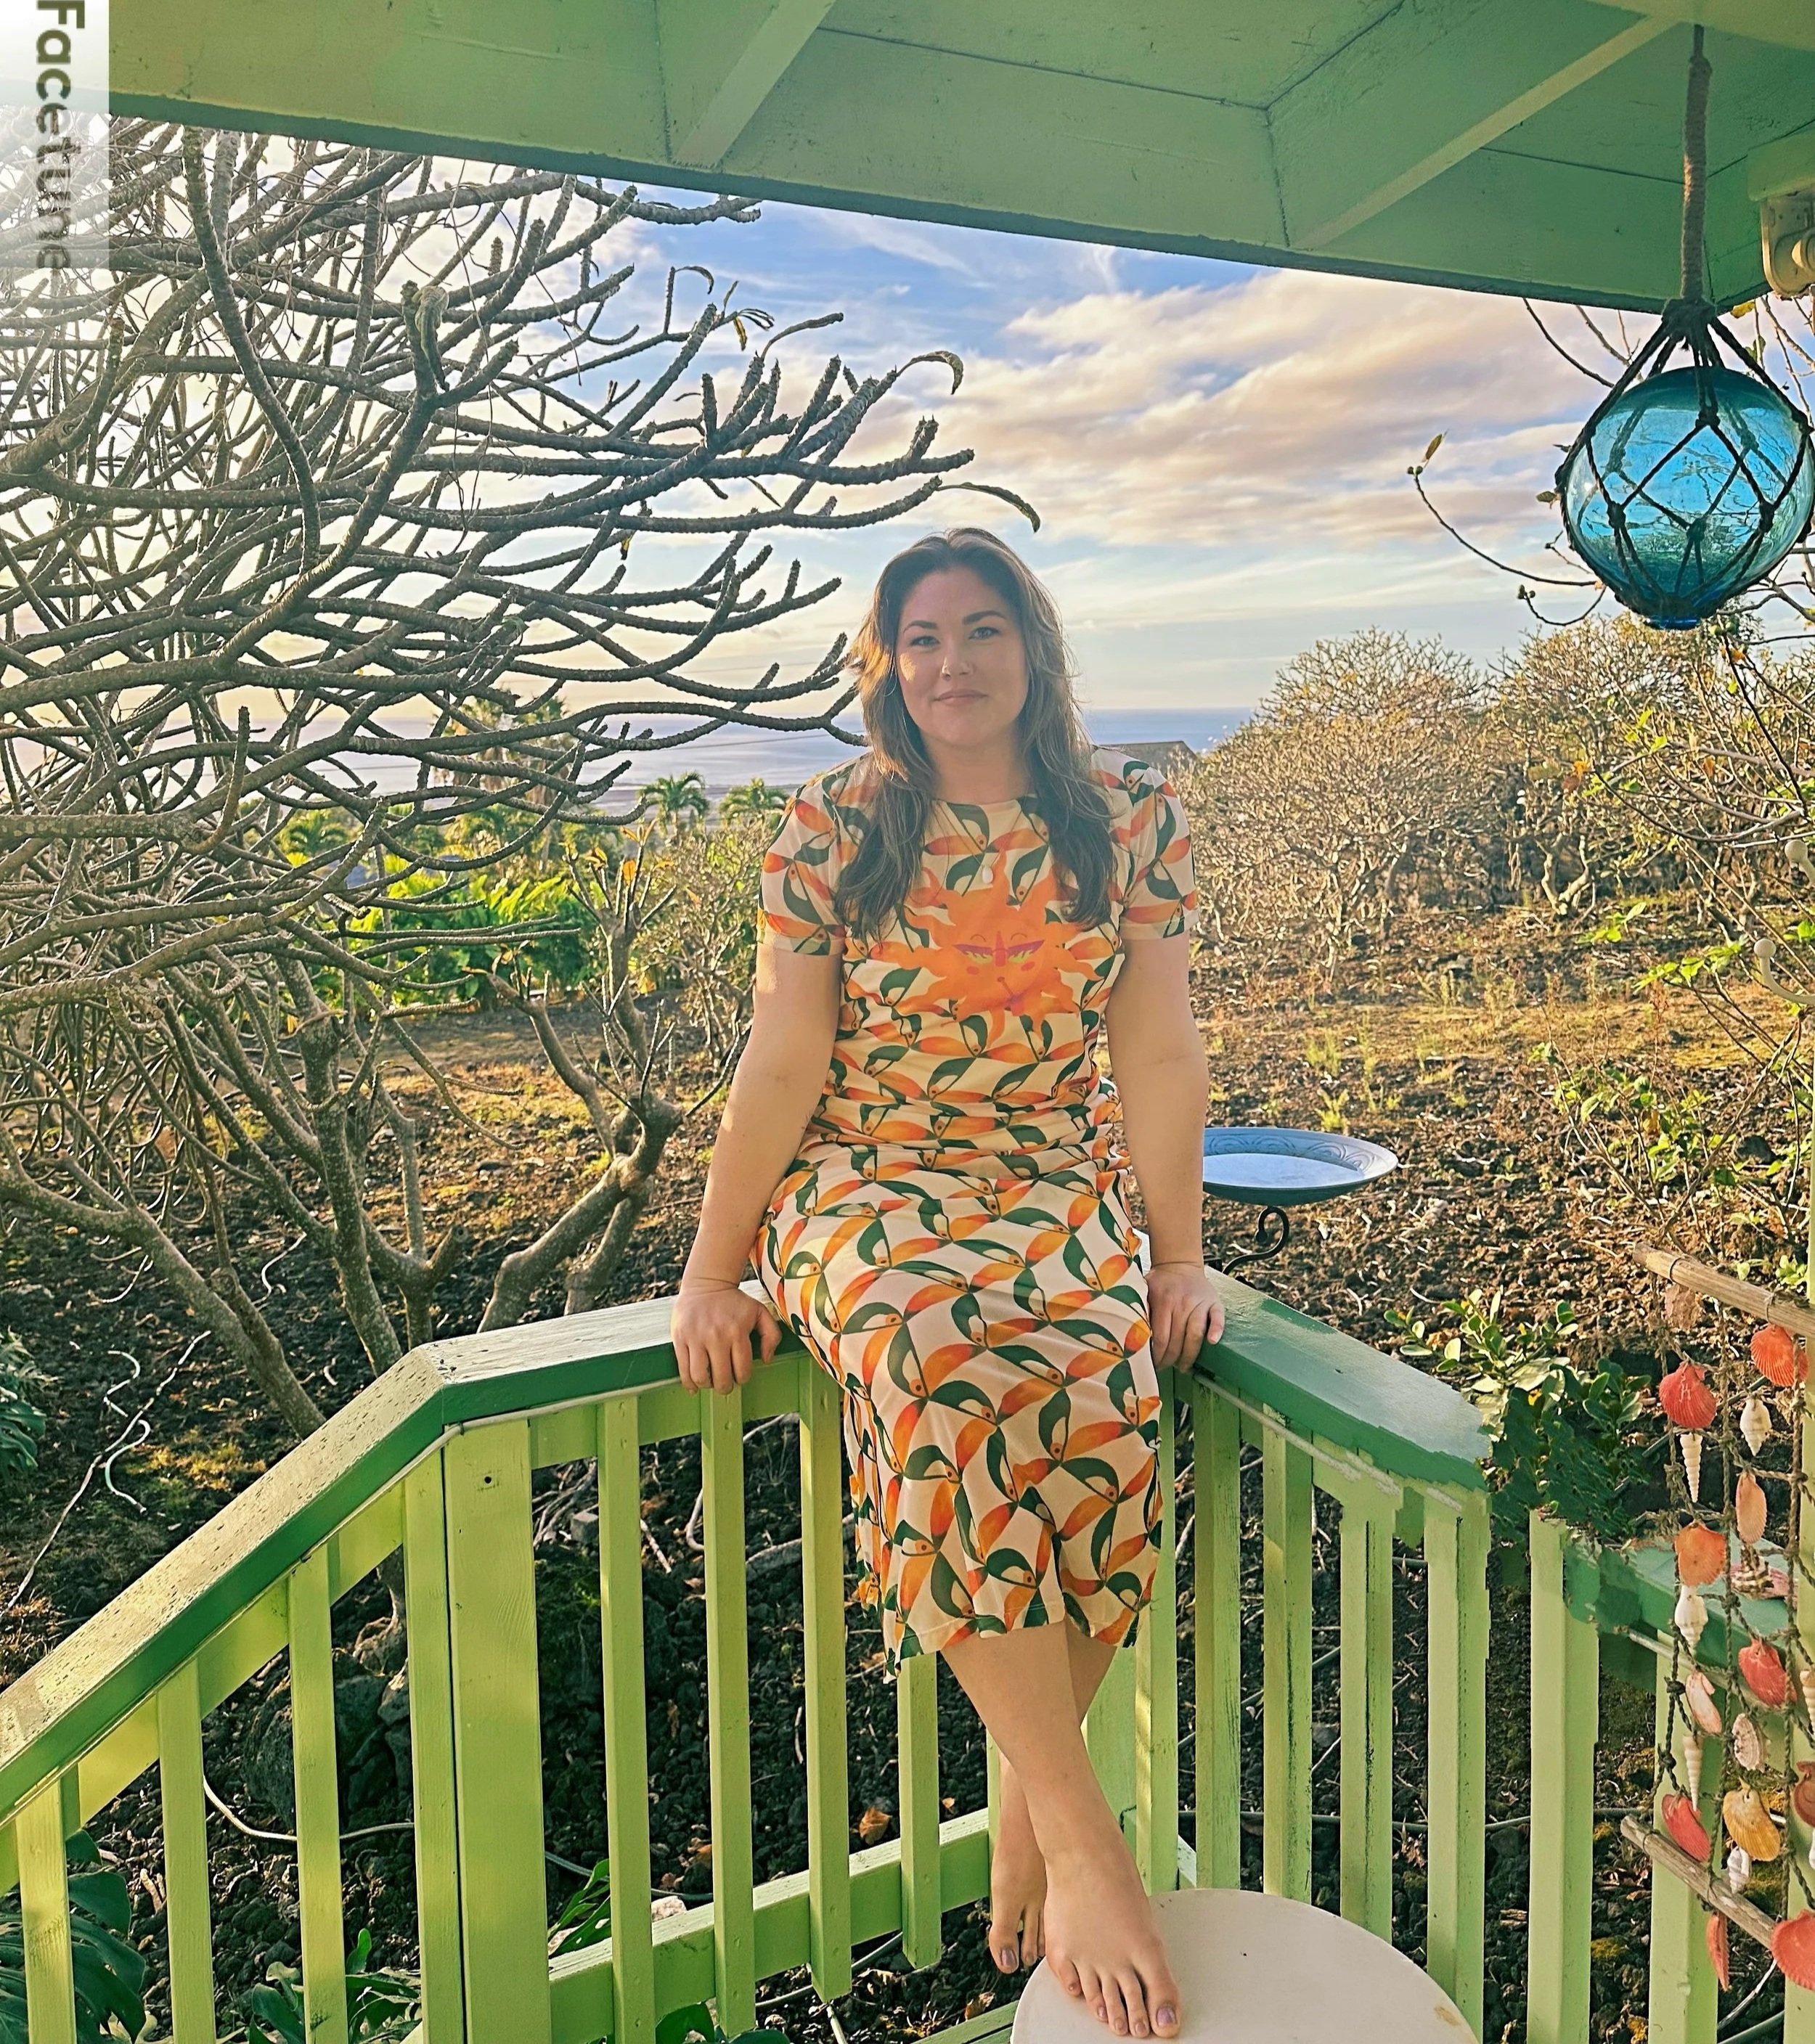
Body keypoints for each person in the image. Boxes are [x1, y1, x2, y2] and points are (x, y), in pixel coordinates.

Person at [671, 528, 1222, 2041]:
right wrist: (711, 1268)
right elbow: (781, 1059)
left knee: (1106, 1389)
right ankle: (1084, 1841)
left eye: (982, 630)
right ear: (883, 665)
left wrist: (1173, 1254)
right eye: (919, 638)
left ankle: (1027, 1803)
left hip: (1049, 1181)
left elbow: (1158, 1050)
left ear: (1033, 650)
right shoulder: (833, 826)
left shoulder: (1121, 817)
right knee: (933, 1356)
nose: (951, 663)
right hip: (865, 1180)